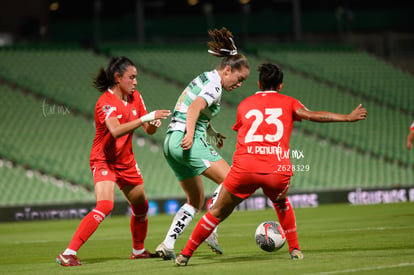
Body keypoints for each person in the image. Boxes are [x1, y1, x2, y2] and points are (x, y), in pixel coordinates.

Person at [174, 63, 368, 266]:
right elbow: (312, 116)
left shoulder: (245, 104)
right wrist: (346, 117)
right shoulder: (289, 102)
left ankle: (185, 255)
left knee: (216, 213)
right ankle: (295, 250)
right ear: (281, 85)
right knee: (281, 203)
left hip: (244, 168)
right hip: (276, 169)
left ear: (259, 83)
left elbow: (242, 129)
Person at [56, 56, 171, 266]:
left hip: (126, 161)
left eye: (136, 78)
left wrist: (152, 122)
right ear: (118, 78)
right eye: (132, 77)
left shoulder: (135, 97)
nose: (135, 82)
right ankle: (68, 253)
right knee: (106, 205)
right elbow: (116, 130)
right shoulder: (105, 103)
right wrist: (144, 118)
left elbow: (148, 129)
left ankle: (138, 251)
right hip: (104, 160)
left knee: (141, 207)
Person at [155, 27, 250, 260]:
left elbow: (198, 111)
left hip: (170, 143)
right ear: (228, 70)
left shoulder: (205, 77)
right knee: (232, 180)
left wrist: (212, 132)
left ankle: (167, 244)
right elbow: (196, 106)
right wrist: (190, 134)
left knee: (194, 200)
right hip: (185, 140)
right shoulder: (215, 86)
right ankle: (211, 228)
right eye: (239, 79)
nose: (239, 85)